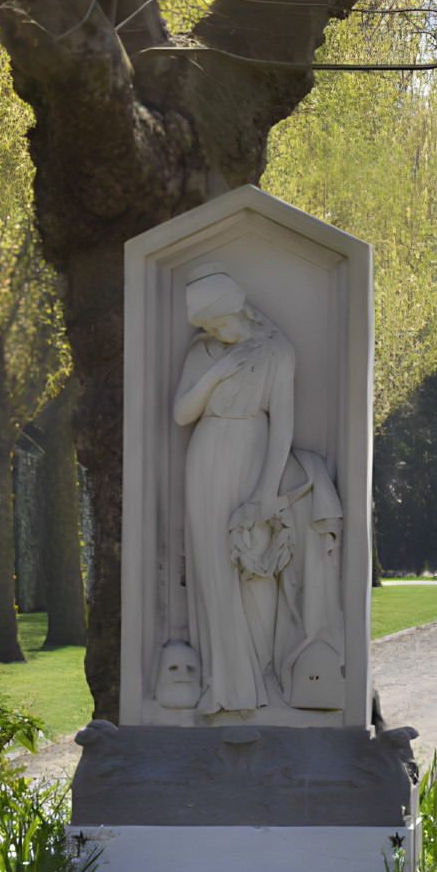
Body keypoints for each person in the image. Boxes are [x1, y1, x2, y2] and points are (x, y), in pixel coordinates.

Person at [171, 271, 296, 716]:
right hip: (206, 455)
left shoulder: (278, 351)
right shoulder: (204, 352)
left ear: (238, 311)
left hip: (253, 453)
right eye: (208, 328)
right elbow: (183, 414)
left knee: (251, 569)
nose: (214, 334)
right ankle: (218, 684)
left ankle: (258, 677)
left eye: (218, 325)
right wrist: (217, 373)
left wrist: (266, 492)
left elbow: (282, 423)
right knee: (210, 565)